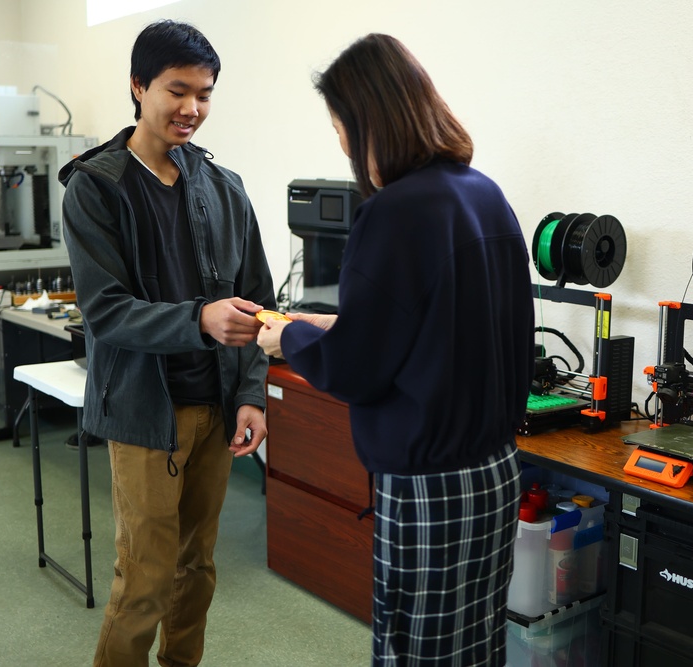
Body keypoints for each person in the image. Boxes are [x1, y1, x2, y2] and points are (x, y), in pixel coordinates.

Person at [258, 33, 535, 666]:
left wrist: (289, 335)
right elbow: (444, 329)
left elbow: (356, 369)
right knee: (476, 648)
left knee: (417, 652)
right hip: (494, 475)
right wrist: (329, 324)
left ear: (370, 123)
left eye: (341, 129)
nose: (343, 146)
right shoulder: (484, 194)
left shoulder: (393, 213)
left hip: (427, 486)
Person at [59, 20, 276, 667]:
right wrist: (200, 319)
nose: (192, 109)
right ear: (138, 85)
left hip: (217, 408)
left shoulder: (224, 188)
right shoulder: (96, 187)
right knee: (146, 579)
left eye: (205, 93)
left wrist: (252, 395)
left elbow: (258, 303)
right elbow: (107, 312)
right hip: (147, 414)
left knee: (196, 569)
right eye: (177, 90)